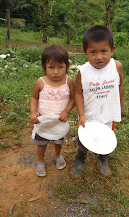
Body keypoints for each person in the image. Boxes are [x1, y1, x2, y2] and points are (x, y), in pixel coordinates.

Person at [72, 25, 124, 177]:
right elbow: (78, 94)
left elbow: (120, 86)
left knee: (106, 137)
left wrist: (119, 106)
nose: (99, 57)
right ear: (85, 53)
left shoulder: (116, 67)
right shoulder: (83, 71)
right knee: (84, 139)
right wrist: (81, 114)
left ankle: (102, 159)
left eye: (104, 51)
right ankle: (80, 158)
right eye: (93, 52)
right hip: (89, 114)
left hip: (108, 113)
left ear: (112, 50)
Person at [30, 44, 75, 177]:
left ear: (66, 66)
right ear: (44, 67)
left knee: (58, 141)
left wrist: (66, 111)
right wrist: (33, 112)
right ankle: (41, 161)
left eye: (60, 67)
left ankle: (57, 155)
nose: (56, 72)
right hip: (43, 121)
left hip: (59, 121)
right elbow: (34, 98)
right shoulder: (40, 82)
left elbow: (73, 99)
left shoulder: (69, 81)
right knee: (41, 143)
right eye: (51, 67)